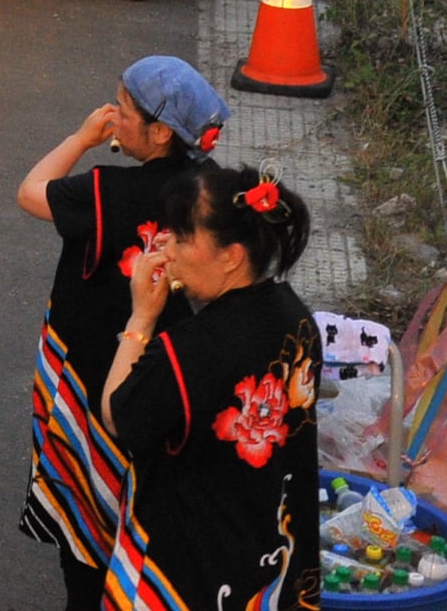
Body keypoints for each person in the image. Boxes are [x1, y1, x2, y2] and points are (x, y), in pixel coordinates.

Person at [14, 56, 230, 611]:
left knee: (86, 511)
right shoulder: (213, 194)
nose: (112, 117)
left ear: (161, 133)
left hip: (92, 375)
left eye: (123, 110)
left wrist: (81, 138)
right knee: (147, 506)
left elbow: (32, 191)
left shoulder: (108, 193)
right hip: (170, 382)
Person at [98, 161, 323, 611]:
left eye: (182, 239)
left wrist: (141, 318)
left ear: (231, 255)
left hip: (186, 566)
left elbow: (118, 415)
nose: (167, 250)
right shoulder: (297, 318)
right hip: (267, 550)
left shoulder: (186, 352)